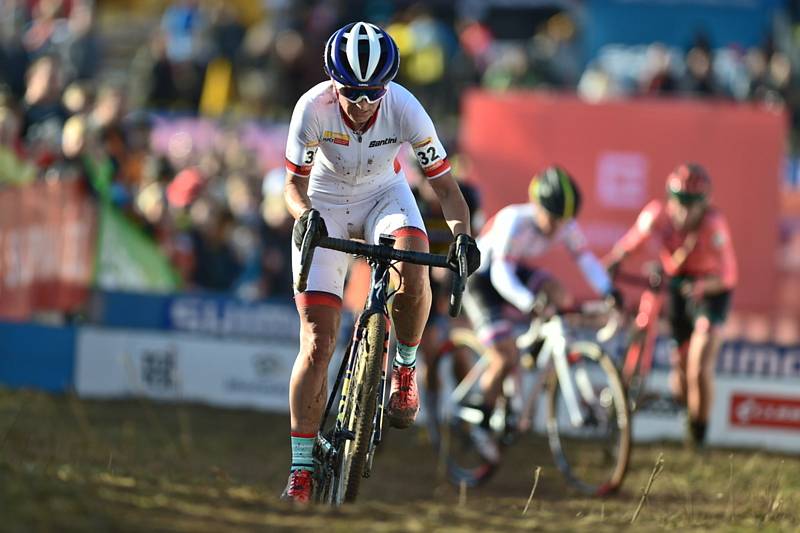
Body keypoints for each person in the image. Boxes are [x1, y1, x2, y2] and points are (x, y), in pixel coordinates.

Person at [281, 21, 479, 503]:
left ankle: (404, 370)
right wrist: (304, 216)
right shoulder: (312, 107)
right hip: (323, 202)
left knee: (415, 253)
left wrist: (462, 237)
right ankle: (301, 469)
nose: (364, 104)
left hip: (383, 197)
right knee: (318, 341)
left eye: (374, 93)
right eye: (352, 92)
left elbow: (447, 190)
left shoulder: (406, 108)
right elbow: (292, 185)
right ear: (334, 82)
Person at [461, 165, 613, 461]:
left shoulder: (564, 225)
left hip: (513, 270)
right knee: (504, 356)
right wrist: (528, 303)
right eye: (553, 219)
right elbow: (502, 274)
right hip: (481, 278)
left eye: (564, 221)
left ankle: (536, 348)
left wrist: (609, 290)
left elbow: (586, 260)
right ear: (537, 206)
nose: (558, 227)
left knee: (558, 294)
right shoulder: (514, 221)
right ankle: (480, 426)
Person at [604, 163, 737, 446]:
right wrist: (614, 260)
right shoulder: (656, 215)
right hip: (678, 286)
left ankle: (698, 435)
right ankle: (686, 412)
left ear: (705, 204)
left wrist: (701, 287)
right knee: (681, 369)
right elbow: (633, 241)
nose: (685, 212)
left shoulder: (713, 226)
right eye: (680, 203)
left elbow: (728, 276)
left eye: (693, 205)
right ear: (670, 200)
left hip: (711, 291)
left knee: (699, 365)